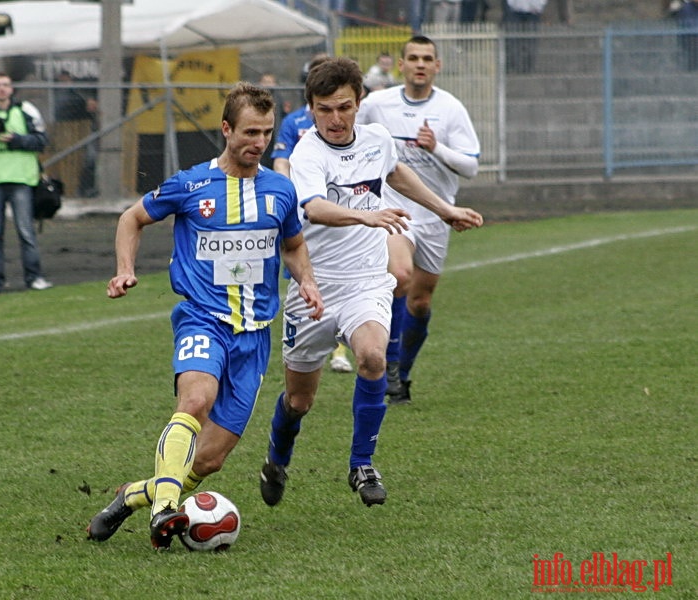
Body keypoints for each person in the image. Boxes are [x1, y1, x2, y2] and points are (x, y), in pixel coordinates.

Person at [86, 82, 323, 551]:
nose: (259, 142)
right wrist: (125, 270)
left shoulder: (280, 191)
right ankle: (163, 510)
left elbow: (293, 246)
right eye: (250, 132)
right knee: (195, 400)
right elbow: (131, 218)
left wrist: (308, 281)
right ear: (226, 129)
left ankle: (133, 495)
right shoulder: (191, 184)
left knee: (209, 461)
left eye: (267, 133)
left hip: (254, 336)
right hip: (202, 318)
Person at [258, 57, 482, 508]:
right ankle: (277, 458)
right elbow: (314, 208)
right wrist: (366, 214)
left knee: (373, 357)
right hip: (314, 288)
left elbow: (396, 172)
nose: (335, 119)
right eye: (324, 110)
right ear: (311, 109)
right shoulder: (307, 153)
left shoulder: (377, 139)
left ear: (359, 102)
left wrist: (445, 209)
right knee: (299, 401)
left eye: (343, 107)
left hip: (365, 280)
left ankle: (361, 465)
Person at [357, 35, 482, 404]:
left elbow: (471, 166)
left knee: (421, 301)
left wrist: (436, 147)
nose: (420, 64)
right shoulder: (378, 104)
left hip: (437, 214)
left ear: (437, 66)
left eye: (427, 58)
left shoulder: (451, 109)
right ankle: (389, 367)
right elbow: (348, 130)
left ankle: (403, 373)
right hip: (395, 206)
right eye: (413, 58)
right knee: (399, 274)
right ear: (401, 65)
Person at [271, 54, 353, 374]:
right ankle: (307, 343)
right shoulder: (295, 124)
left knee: (346, 280)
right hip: (306, 211)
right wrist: (287, 191)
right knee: (306, 278)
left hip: (341, 213)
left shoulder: (353, 124)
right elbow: (281, 160)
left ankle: (339, 351)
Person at [0, 72, 52, 293]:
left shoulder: (26, 111)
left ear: (12, 88)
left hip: (22, 179)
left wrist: (18, 140)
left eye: (5, 85)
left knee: (26, 231)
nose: (1, 89)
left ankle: (34, 277)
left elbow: (42, 140)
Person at [503, 0, 548, 74]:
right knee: (513, 40)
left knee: (531, 41)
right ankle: (513, 66)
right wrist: (512, 4)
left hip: (533, 12)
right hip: (515, 10)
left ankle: (528, 67)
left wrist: (538, 6)